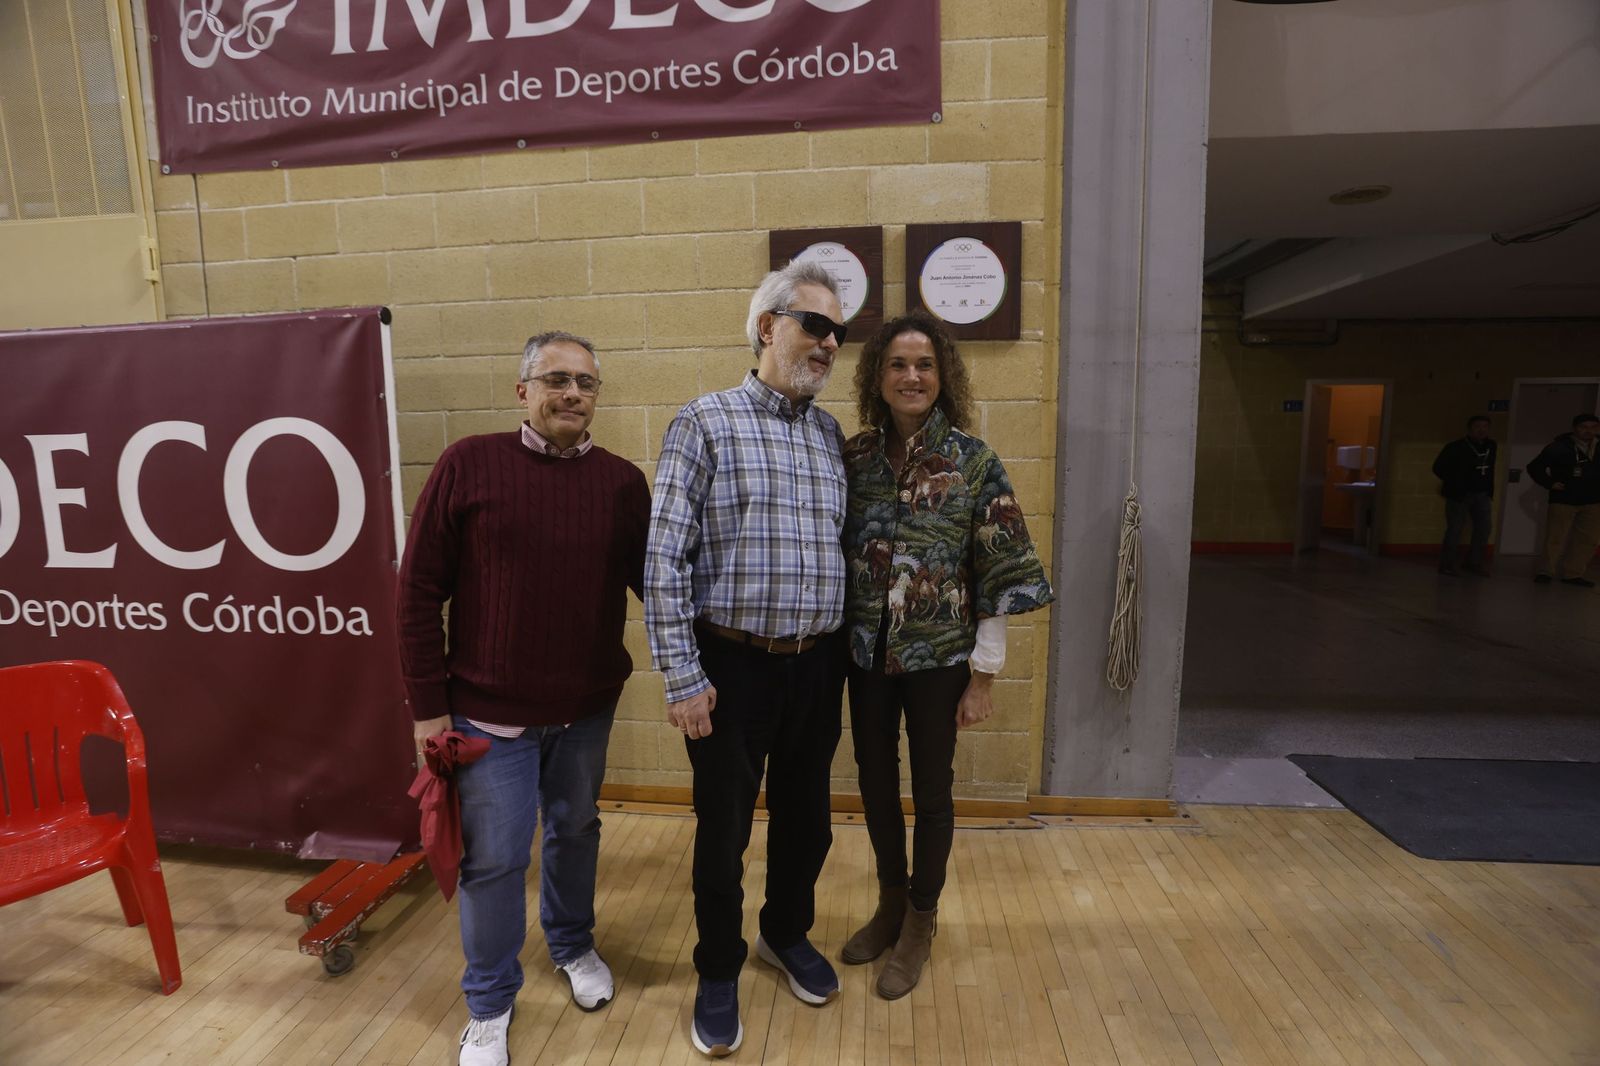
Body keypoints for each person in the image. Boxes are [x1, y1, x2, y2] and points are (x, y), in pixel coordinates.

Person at [397, 331, 650, 1066]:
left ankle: (572, 946)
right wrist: (426, 708)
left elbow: (656, 586)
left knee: (576, 832)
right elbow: (416, 595)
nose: (573, 394)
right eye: (556, 379)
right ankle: (489, 1002)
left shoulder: (621, 484)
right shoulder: (467, 465)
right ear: (523, 391)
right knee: (496, 859)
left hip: (585, 711)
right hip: (485, 717)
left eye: (587, 383)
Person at [645, 260, 849, 1058]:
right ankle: (720, 967)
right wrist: (684, 678)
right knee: (722, 831)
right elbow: (662, 560)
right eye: (815, 326)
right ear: (768, 328)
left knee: (807, 825)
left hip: (815, 665)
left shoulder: (831, 435)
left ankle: (783, 934)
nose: (830, 344)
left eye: (838, 332)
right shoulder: (706, 422)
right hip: (731, 670)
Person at [835, 310, 1054, 999]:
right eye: (897, 364)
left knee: (932, 792)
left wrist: (983, 676)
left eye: (924, 364)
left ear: (943, 376)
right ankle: (892, 902)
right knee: (874, 783)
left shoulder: (973, 462)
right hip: (865, 657)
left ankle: (922, 921)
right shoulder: (854, 458)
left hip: (941, 661)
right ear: (878, 376)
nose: (911, 376)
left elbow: (998, 571)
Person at [1527, 412, 1600, 587]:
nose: (1588, 431)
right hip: (1563, 500)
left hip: (1593, 501)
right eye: (1583, 427)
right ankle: (1546, 571)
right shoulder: (1558, 447)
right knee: (1555, 538)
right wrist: (1549, 483)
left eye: (1593, 427)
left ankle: (1573, 574)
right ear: (1575, 429)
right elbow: (1534, 467)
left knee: (1587, 540)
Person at [1431, 414, 1497, 576]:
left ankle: (1474, 562)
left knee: (1484, 528)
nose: (1482, 430)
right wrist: (1456, 481)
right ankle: (1447, 564)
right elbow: (1438, 468)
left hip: (1481, 493)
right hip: (1459, 494)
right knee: (1455, 529)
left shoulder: (1491, 446)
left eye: (1485, 427)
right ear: (1470, 429)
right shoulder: (1455, 447)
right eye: (1478, 427)